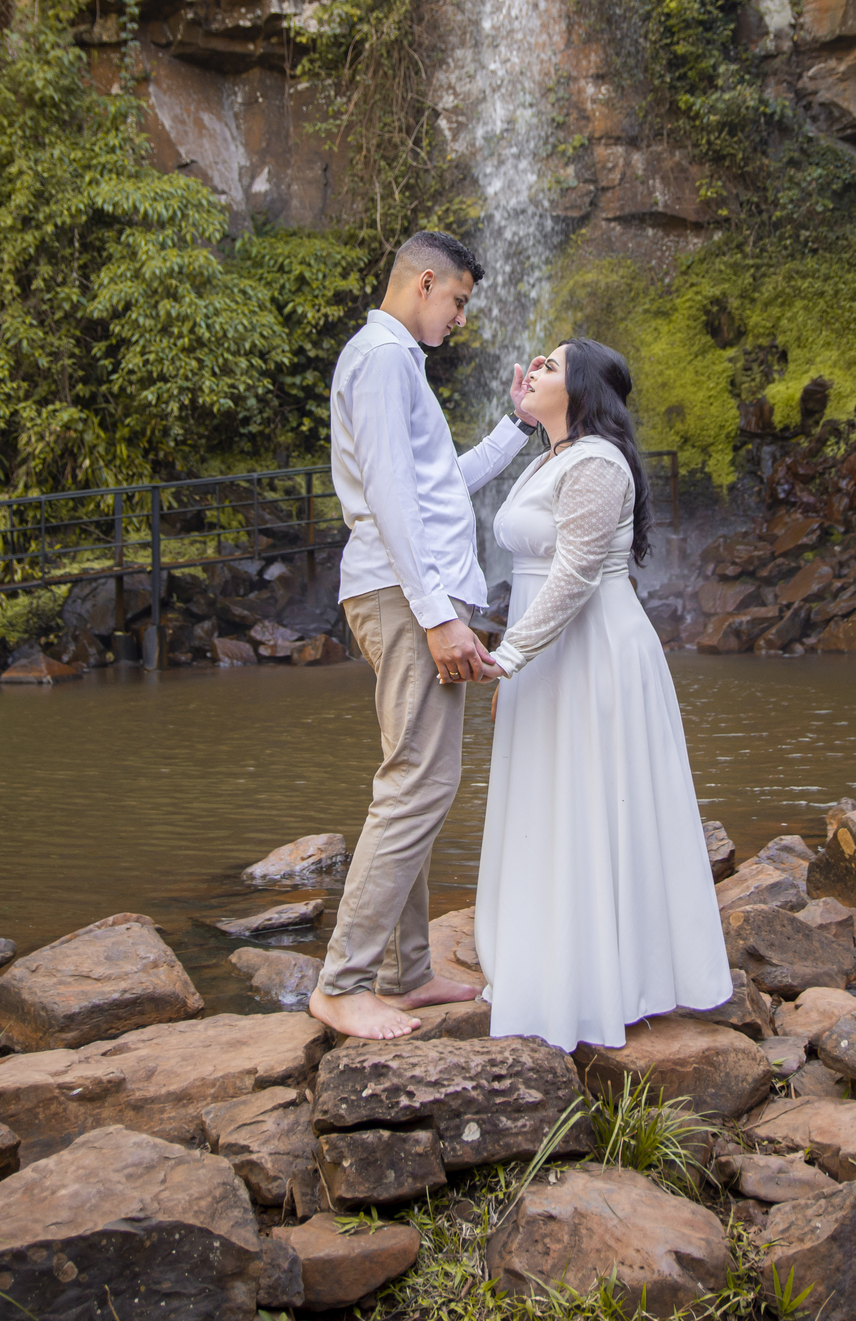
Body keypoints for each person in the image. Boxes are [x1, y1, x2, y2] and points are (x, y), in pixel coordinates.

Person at [309, 231, 541, 1042]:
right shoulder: (381, 358)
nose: (460, 318)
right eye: (459, 302)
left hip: (410, 594)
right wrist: (440, 614)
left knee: (414, 778)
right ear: (425, 282)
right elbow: (392, 501)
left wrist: (517, 427)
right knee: (419, 782)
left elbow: (439, 486)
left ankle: (404, 973)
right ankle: (342, 983)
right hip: (408, 599)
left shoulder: (396, 362)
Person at [475, 338, 732, 1051]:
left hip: (591, 652)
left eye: (550, 367)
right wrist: (518, 663)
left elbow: (577, 572)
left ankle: (607, 978)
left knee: (592, 798)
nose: (533, 373)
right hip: (550, 650)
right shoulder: (551, 457)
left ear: (581, 391)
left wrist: (508, 657)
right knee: (551, 799)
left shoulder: (595, 461)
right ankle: (551, 958)